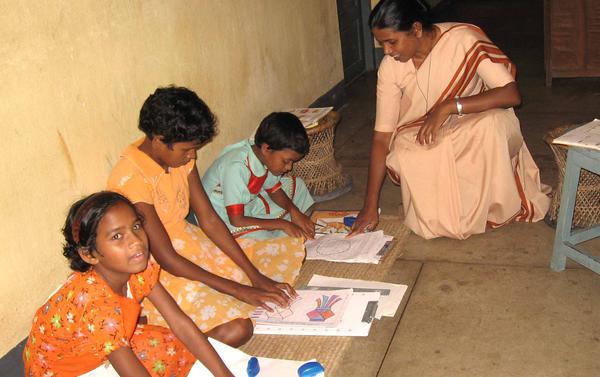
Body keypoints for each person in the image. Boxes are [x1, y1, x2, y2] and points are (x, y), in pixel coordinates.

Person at [107, 87, 297, 348]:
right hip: (158, 268)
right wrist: (241, 289)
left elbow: (207, 218)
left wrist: (253, 276)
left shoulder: (180, 159)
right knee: (237, 327)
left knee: (268, 272)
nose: (192, 156)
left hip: (189, 244)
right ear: (159, 139)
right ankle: (169, 352)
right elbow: (167, 258)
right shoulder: (131, 177)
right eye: (187, 150)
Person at [350, 0, 551, 240]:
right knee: (405, 150)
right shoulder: (390, 67)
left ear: (416, 29)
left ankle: (488, 207)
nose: (387, 51)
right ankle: (453, 215)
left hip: (473, 118)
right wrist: (369, 205)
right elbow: (382, 137)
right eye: (381, 43)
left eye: (391, 42)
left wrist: (449, 106)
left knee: (495, 124)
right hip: (419, 127)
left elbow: (511, 94)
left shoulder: (463, 40)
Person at [23, 191, 234, 377]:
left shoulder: (136, 266)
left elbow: (179, 322)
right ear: (89, 254)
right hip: (67, 370)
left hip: (102, 343)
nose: (136, 240)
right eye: (117, 236)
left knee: (169, 349)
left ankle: (200, 350)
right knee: (166, 357)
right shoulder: (96, 306)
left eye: (136, 226)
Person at [202, 112, 315, 240]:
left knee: (298, 185)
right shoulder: (236, 166)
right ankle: (279, 232)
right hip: (222, 215)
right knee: (259, 239)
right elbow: (236, 220)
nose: (289, 167)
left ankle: (282, 229)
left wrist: (295, 211)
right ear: (266, 149)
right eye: (286, 161)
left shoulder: (262, 156)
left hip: (248, 202)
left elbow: (274, 190)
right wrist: (282, 224)